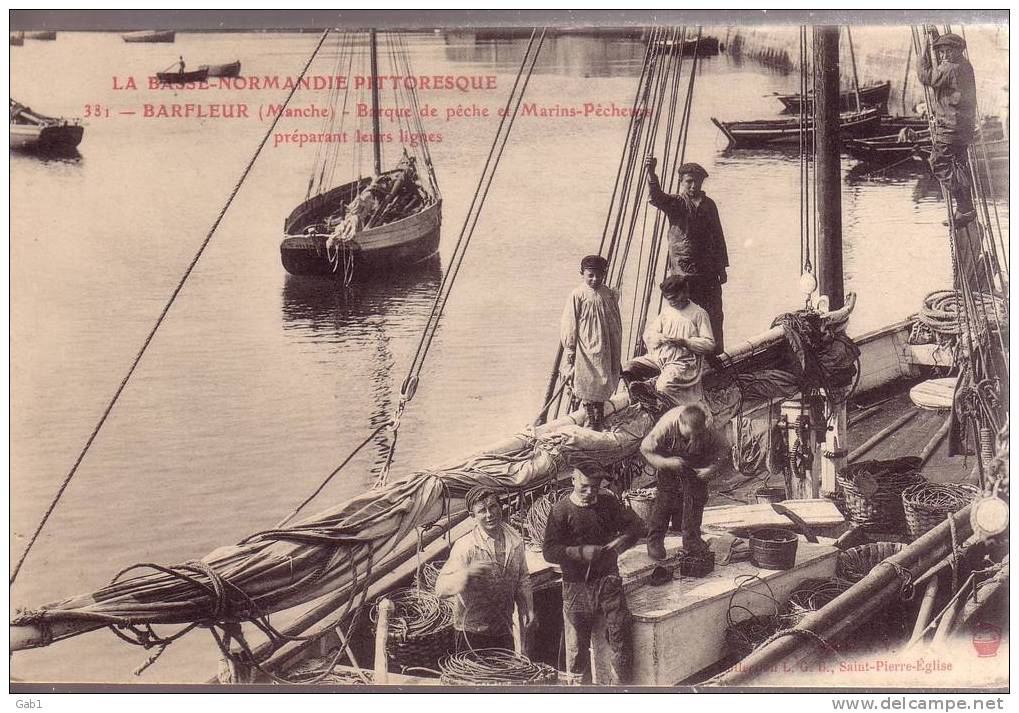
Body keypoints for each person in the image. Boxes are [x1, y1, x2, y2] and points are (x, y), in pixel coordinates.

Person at [542, 462, 643, 685]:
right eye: (584, 487)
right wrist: (579, 552)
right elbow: (549, 551)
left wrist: (622, 542)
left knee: (620, 635)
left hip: (609, 581)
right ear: (573, 481)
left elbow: (636, 526)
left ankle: (620, 690)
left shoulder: (608, 502)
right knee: (576, 647)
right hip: (575, 586)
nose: (590, 493)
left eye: (595, 487)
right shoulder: (560, 511)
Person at [644, 156, 729, 351]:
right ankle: (679, 351)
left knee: (713, 312)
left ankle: (714, 353)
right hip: (683, 272)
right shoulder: (676, 203)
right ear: (681, 182)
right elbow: (656, 197)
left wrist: (722, 267)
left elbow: (718, 236)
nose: (693, 186)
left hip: (708, 271)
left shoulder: (709, 205)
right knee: (683, 311)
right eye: (688, 181)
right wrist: (651, 173)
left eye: (697, 181)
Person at [435, 486, 534, 652]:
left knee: (503, 676)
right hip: (471, 632)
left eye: (493, 506)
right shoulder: (465, 546)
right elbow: (441, 589)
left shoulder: (515, 540)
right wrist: (467, 574)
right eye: (482, 511)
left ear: (500, 506)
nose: (490, 515)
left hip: (503, 628)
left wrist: (528, 608)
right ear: (472, 516)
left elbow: (523, 578)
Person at [639, 403, 728, 561]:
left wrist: (711, 469)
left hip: (696, 465)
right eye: (689, 435)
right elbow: (645, 450)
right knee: (665, 501)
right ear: (681, 423)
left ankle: (692, 540)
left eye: (696, 435)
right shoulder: (665, 427)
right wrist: (667, 463)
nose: (693, 439)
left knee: (696, 499)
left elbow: (724, 449)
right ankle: (655, 541)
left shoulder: (707, 428)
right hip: (668, 461)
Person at [621, 274, 715, 408]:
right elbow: (648, 334)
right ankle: (641, 396)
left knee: (663, 386)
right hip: (659, 357)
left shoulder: (698, 313)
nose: (672, 302)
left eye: (674, 298)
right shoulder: (667, 312)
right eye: (668, 299)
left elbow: (709, 344)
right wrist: (660, 338)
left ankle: (657, 403)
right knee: (629, 367)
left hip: (683, 362)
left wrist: (685, 342)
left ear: (685, 292)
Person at [916, 29, 978, 227]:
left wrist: (925, 48)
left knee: (939, 163)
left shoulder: (949, 69)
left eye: (947, 51)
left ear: (958, 50)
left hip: (950, 126)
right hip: (964, 127)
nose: (943, 56)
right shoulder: (965, 65)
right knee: (959, 164)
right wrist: (936, 40)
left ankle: (965, 207)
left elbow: (925, 76)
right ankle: (965, 209)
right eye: (940, 52)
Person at [560, 254, 623, 431]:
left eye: (599, 275)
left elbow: (615, 321)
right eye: (590, 275)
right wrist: (570, 348)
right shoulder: (578, 295)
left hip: (606, 345)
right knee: (587, 380)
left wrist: (616, 344)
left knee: (603, 379)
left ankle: (599, 417)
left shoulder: (608, 294)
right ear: (582, 274)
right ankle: (590, 419)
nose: (595, 279)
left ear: (604, 274)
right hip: (586, 346)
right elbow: (570, 323)